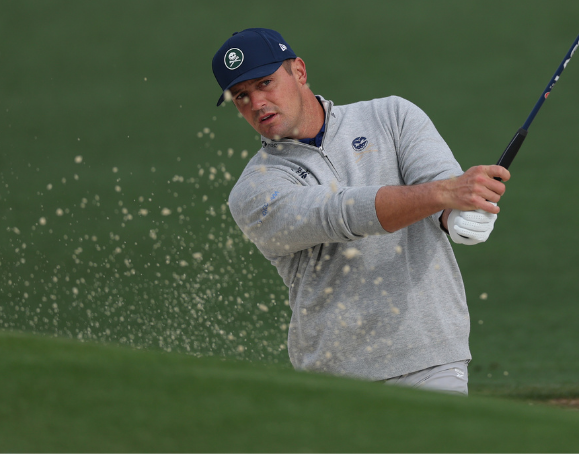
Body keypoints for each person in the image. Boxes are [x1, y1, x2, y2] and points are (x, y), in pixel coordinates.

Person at [213, 28, 509, 395]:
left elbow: (443, 195)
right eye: (241, 96)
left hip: (430, 357)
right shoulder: (254, 190)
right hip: (336, 376)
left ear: (299, 72)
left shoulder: (391, 116)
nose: (257, 103)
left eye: (265, 83)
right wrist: (445, 194)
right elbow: (340, 214)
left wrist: (466, 216)